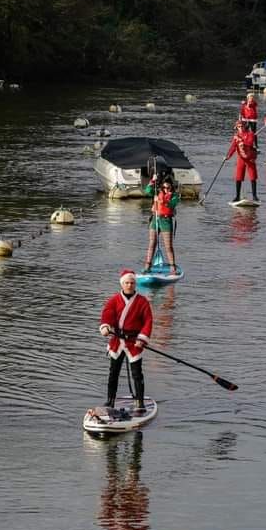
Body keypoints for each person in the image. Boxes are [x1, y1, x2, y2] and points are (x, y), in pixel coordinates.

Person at [99, 270, 153, 412]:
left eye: (132, 283)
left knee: (137, 374)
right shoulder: (113, 300)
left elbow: (148, 322)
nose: (129, 285)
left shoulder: (143, 302)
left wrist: (142, 339)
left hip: (134, 342)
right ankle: (110, 401)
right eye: (127, 283)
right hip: (117, 341)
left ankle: (140, 402)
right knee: (113, 373)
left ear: (135, 284)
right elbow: (107, 315)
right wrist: (105, 326)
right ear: (122, 284)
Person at [143, 173, 179, 274]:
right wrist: (152, 181)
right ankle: (148, 266)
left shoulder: (175, 196)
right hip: (155, 219)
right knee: (152, 244)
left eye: (168, 187)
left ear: (171, 187)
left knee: (168, 246)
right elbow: (147, 191)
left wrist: (160, 200)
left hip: (166, 221)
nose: (165, 189)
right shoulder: (157, 192)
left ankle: (172, 267)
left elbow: (171, 204)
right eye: (163, 187)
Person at [227, 120, 259, 202]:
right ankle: (237, 196)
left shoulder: (250, 134)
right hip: (241, 158)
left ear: (245, 126)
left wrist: (240, 140)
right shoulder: (236, 136)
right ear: (236, 128)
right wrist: (228, 156)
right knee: (238, 177)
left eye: (241, 126)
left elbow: (249, 143)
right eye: (238, 127)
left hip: (250, 158)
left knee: (252, 177)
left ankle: (255, 196)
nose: (240, 128)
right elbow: (233, 147)